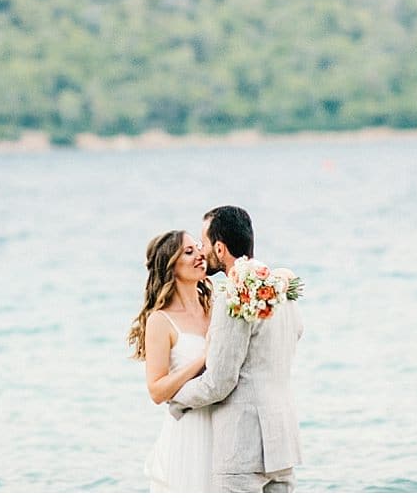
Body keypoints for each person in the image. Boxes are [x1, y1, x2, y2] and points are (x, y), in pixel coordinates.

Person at [169, 206, 303, 492]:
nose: (202, 252)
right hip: (283, 439)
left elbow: (219, 382)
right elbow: (296, 333)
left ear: (219, 247)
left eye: (204, 244)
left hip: (243, 446)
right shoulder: (279, 287)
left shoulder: (233, 294)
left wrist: (175, 399)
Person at [129, 229, 214, 492]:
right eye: (188, 252)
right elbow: (156, 390)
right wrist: (203, 360)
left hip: (223, 424)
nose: (200, 254)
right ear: (171, 267)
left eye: (198, 247)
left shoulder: (214, 304)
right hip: (190, 430)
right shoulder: (160, 321)